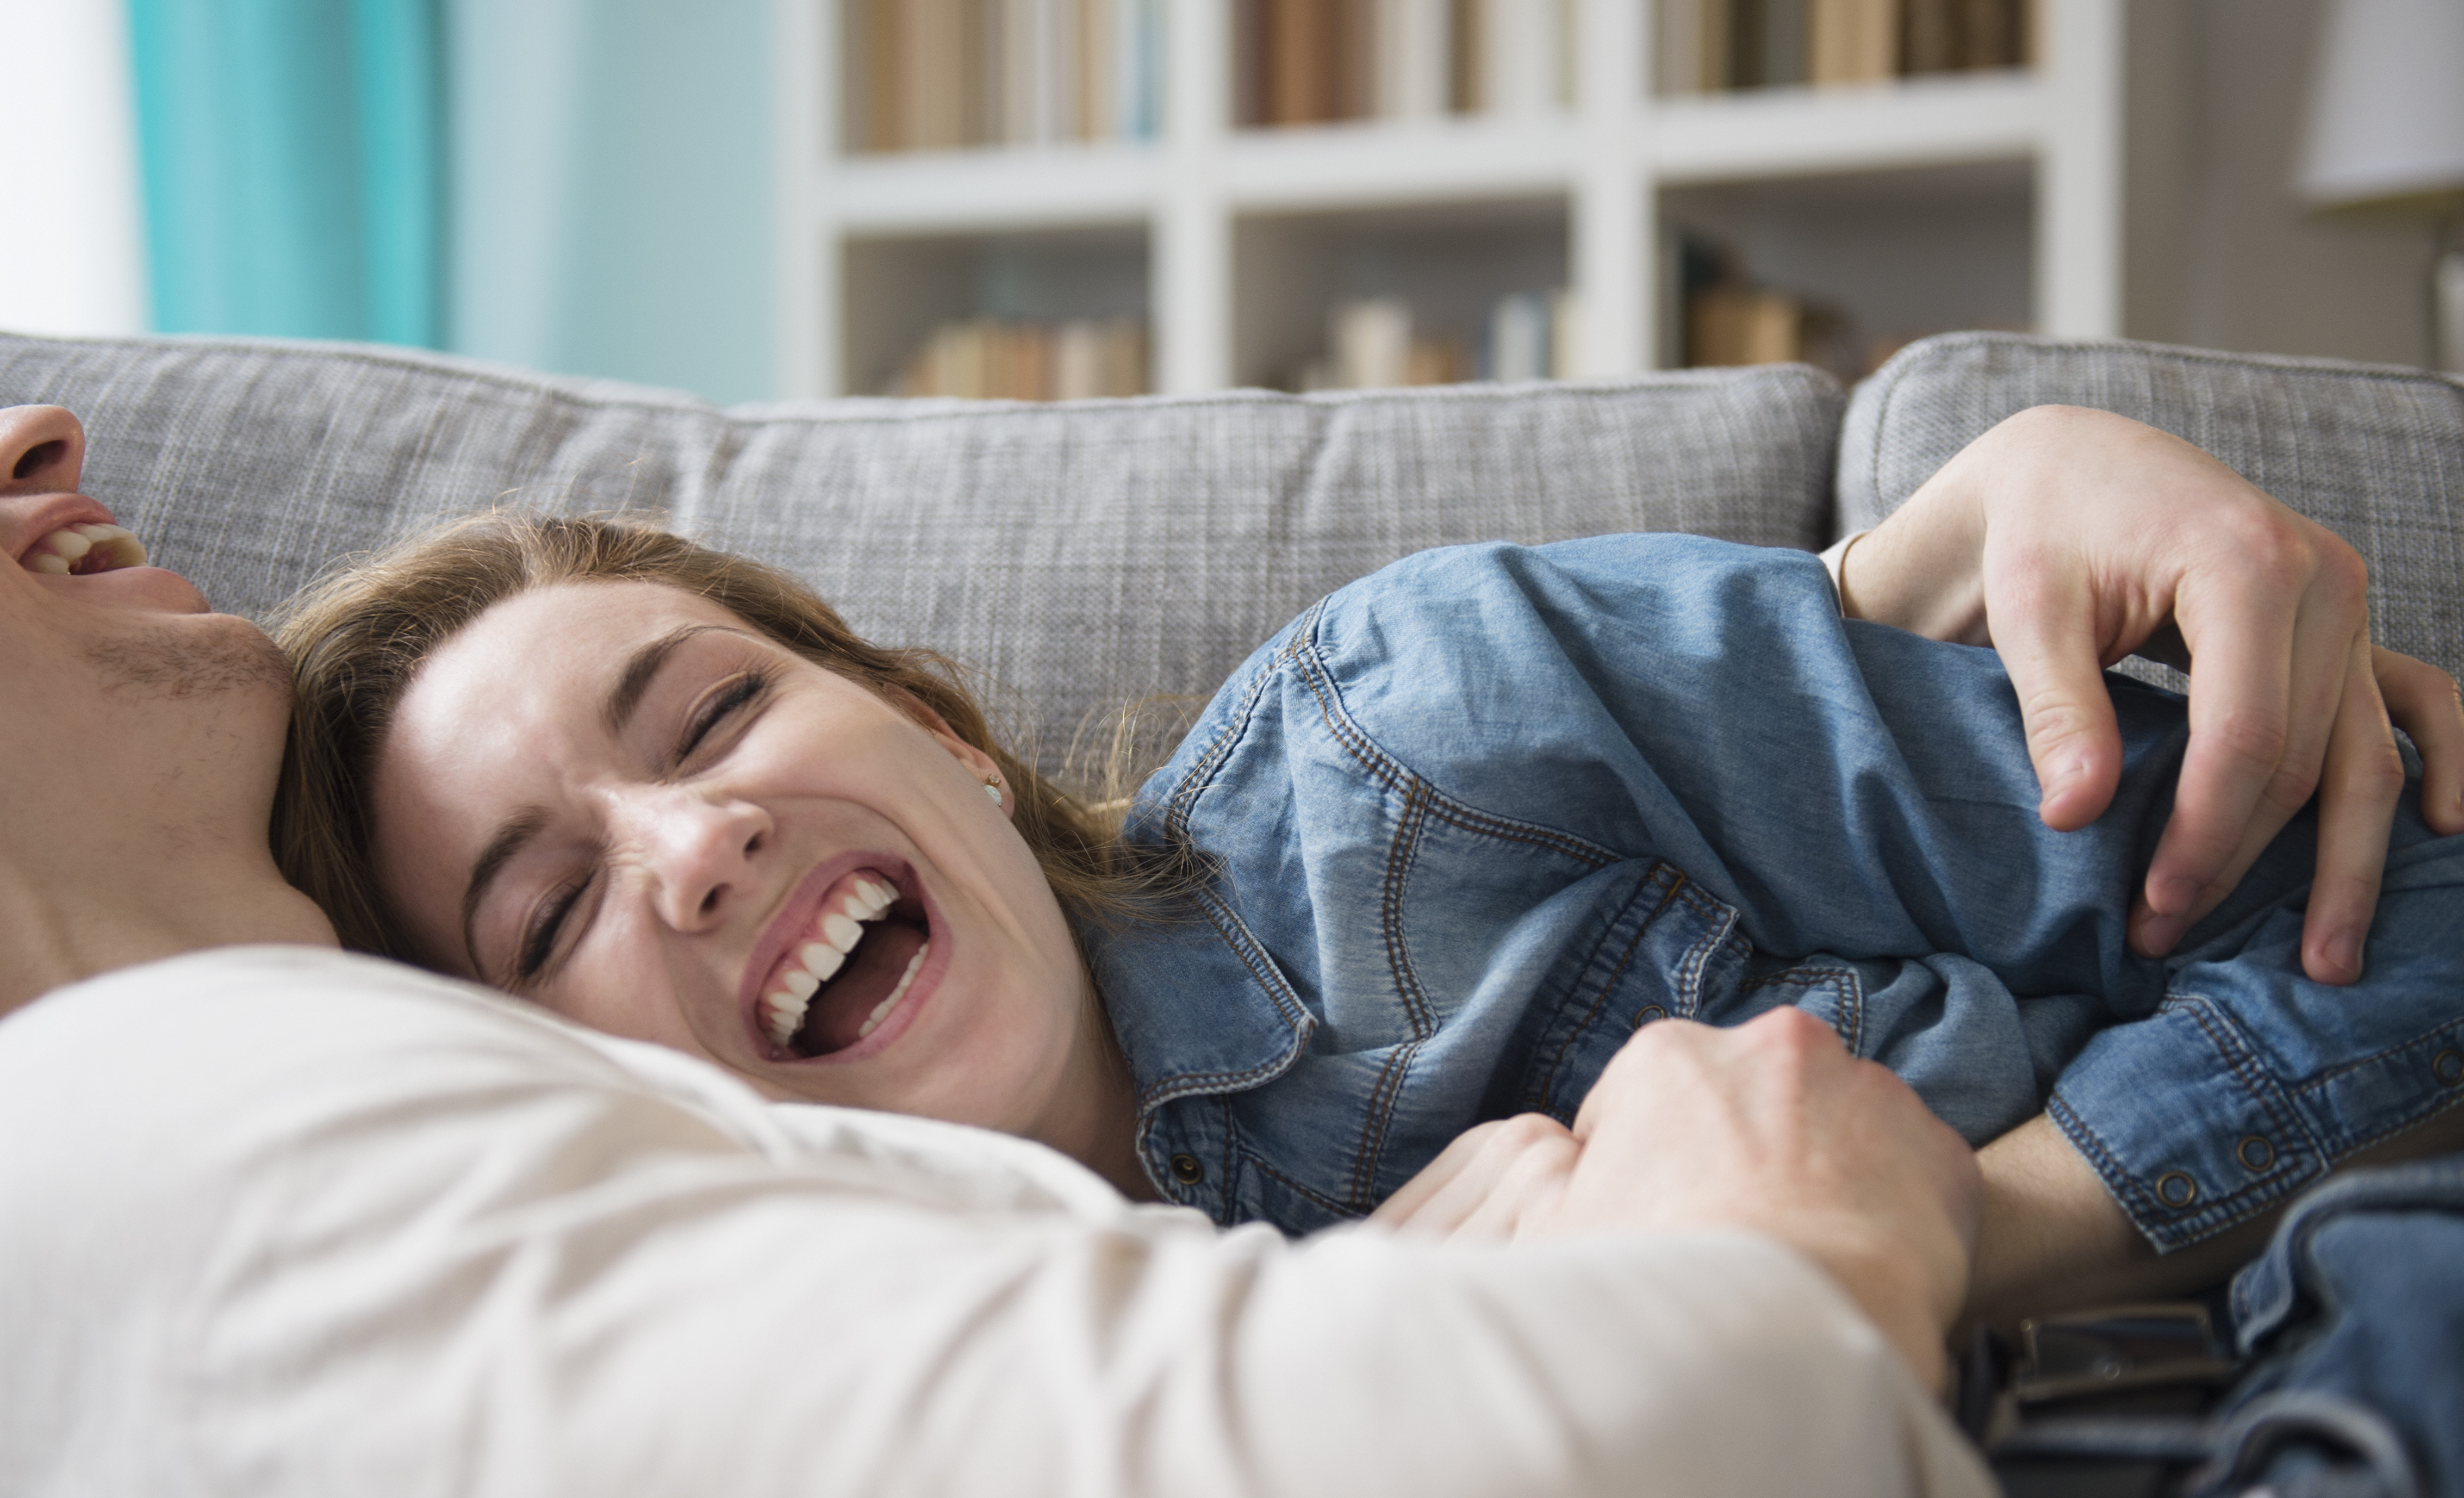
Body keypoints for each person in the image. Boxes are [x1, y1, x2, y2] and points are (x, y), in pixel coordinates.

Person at [0, 358, 2428, 1498]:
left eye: (723, 708)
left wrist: (1906, 564)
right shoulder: (129, 1184)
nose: (10, 436)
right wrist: (1824, 1231)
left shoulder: (259, 1115)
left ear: (954, 736)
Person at [270, 409, 2464, 1328]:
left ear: (933, 727)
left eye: (718, 715)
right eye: (546, 910)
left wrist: (1942, 1231)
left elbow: (2420, 902)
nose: (696, 842)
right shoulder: (843, 1451)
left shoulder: (1429, 733)